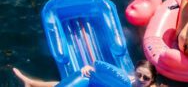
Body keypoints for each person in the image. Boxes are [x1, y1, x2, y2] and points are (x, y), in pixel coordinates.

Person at [13, 59, 162, 87]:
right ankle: (31, 82)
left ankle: (31, 83)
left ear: (153, 79)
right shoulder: (128, 80)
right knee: (82, 76)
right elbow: (110, 77)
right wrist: (89, 68)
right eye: (139, 74)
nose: (141, 79)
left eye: (146, 78)